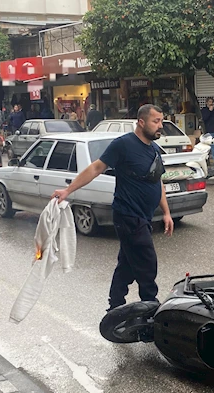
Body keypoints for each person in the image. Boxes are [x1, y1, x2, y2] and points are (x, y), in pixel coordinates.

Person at [52, 105, 174, 311]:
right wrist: (68, 190)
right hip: (127, 214)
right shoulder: (123, 145)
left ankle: (115, 306)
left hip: (144, 216)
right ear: (141, 122)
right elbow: (96, 168)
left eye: (161, 121)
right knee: (146, 262)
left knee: (127, 263)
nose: (160, 126)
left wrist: (167, 213)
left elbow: (157, 181)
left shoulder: (153, 149)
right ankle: (151, 308)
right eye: (156, 121)